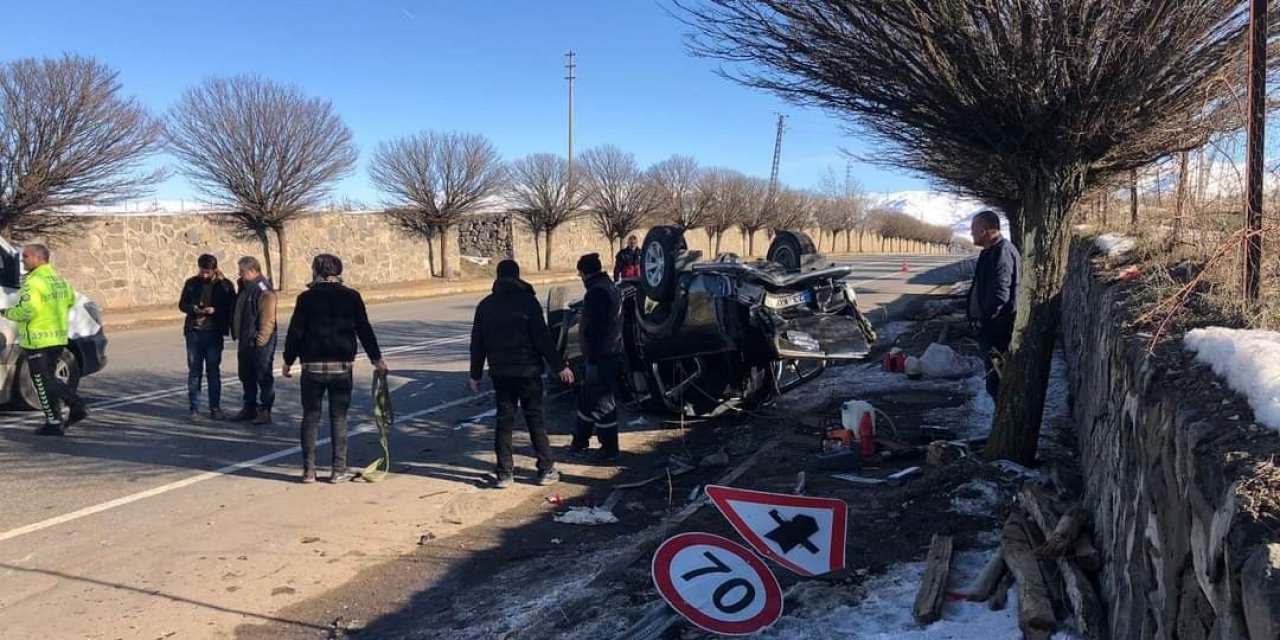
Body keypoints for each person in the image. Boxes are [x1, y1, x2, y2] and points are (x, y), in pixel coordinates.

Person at [468, 260, 575, 488]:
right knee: (535, 418)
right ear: (517, 277)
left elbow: (477, 343)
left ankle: (504, 473)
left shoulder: (486, 305)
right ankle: (546, 469)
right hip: (528, 371)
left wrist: (475, 375)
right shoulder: (528, 302)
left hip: (501, 373)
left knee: (504, 420)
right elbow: (542, 339)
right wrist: (559, 367)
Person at [283, 254, 387, 484]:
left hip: (311, 367)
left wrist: (288, 360)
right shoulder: (351, 296)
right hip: (341, 367)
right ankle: (338, 469)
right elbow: (364, 329)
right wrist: (376, 359)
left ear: (316, 271)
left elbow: (295, 332)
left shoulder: (306, 298)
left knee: (310, 417)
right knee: (339, 417)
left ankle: (308, 471)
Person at [5, 244, 88, 436]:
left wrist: (7, 312)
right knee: (47, 380)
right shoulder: (58, 280)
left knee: (44, 382)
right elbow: (70, 301)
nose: (23, 260)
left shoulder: (34, 283)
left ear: (38, 258)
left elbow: (27, 311)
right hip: (57, 337)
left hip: (38, 340)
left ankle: (71, 408)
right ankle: (56, 419)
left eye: (26, 256)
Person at [570, 252, 624, 462]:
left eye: (580, 274)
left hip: (601, 356)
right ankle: (580, 442)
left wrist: (590, 357)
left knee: (603, 403)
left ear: (584, 273)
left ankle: (610, 449)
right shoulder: (610, 287)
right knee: (586, 400)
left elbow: (595, 329)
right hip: (611, 352)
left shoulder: (596, 293)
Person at [967, 210, 1021, 400]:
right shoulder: (990, 252)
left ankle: (1005, 424)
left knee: (998, 382)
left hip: (997, 329)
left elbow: (1000, 293)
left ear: (984, 230)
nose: (971, 232)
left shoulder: (1001, 252)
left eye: (973, 229)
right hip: (990, 327)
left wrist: (984, 319)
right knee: (995, 381)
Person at [178, 254, 237, 422]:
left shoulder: (224, 285)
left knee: (213, 371)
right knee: (194, 372)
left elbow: (231, 306)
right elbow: (182, 304)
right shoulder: (191, 283)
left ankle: (215, 408)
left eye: (207, 272)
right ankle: (194, 409)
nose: (204, 275)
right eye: (202, 271)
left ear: (214, 270)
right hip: (194, 332)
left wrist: (215, 310)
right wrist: (193, 309)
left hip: (214, 333)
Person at [230, 256, 278, 425]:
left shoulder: (262, 289)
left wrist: (261, 340)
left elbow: (267, 319)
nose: (240, 274)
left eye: (242, 272)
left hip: (259, 342)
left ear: (252, 271)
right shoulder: (245, 288)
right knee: (246, 375)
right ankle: (249, 407)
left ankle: (265, 410)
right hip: (245, 340)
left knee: (263, 376)